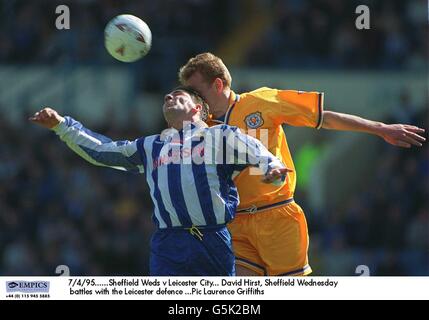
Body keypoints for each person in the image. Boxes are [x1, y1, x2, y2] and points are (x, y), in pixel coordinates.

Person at [178, 52, 426, 276]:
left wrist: (380, 129)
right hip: (235, 223)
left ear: (218, 84)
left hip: (276, 214)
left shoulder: (261, 102)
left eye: (196, 93)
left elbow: (324, 119)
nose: (192, 100)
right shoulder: (199, 127)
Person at [29, 86, 290, 276]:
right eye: (166, 96)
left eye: (178, 95)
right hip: (168, 243)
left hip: (212, 240)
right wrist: (62, 126)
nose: (169, 97)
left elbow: (256, 150)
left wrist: (274, 167)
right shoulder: (150, 145)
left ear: (197, 108)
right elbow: (103, 151)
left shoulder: (219, 136)